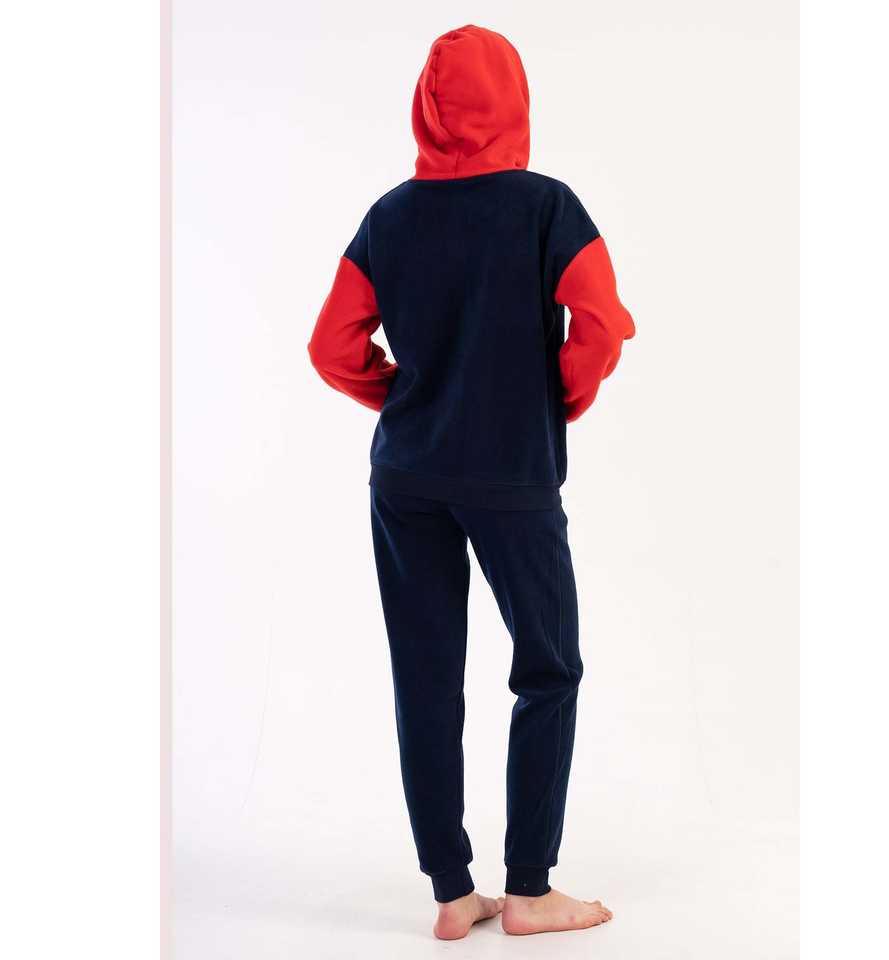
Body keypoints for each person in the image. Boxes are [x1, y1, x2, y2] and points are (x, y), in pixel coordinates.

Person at [308, 24, 634, 940]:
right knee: (549, 668)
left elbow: (331, 347)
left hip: (405, 477)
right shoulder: (546, 207)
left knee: (424, 675)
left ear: (425, 107)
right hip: (510, 475)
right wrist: (554, 400)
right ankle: (529, 890)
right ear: (516, 100)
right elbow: (601, 323)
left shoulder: (388, 217)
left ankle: (453, 893)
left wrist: (406, 397)